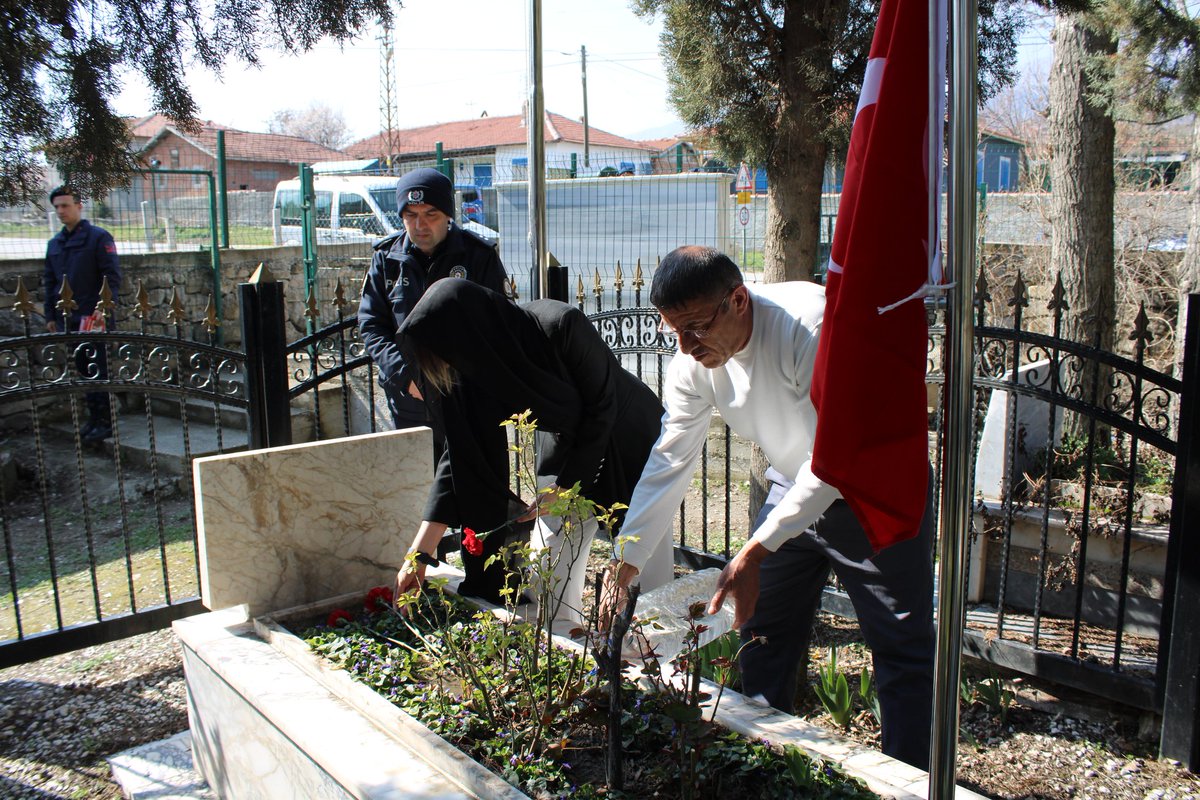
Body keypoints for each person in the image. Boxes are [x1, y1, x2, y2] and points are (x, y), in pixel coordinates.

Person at [605, 245, 935, 769]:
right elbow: (670, 459)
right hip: (792, 484)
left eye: (695, 327)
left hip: (874, 487)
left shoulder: (811, 326)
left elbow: (831, 460)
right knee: (760, 631)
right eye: (674, 331)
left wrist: (754, 550)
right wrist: (627, 560)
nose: (687, 346)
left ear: (739, 299)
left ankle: (910, 777)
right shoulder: (693, 363)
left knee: (900, 648)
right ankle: (764, 766)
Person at [393, 279, 672, 635]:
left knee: (645, 565)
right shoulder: (478, 369)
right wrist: (419, 555)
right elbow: (462, 454)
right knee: (549, 571)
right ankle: (565, 653)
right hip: (566, 447)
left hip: (632, 437)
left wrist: (568, 487)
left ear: (469, 330)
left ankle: (661, 663)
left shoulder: (559, 324)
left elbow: (603, 407)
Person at [358, 167, 509, 429]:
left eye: (431, 214)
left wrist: (464, 374)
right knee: (415, 469)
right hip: (408, 400)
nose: (420, 225)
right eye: (410, 215)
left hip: (467, 398)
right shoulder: (386, 259)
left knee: (466, 469)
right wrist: (405, 377)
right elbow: (372, 325)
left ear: (447, 215)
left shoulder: (478, 257)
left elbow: (499, 325)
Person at [44, 185, 121, 443]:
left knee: (97, 368)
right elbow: (50, 282)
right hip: (69, 317)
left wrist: (103, 308)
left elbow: (111, 276)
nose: (61, 211)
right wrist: (50, 316)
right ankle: (93, 418)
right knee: (82, 370)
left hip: (93, 315)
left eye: (65, 205)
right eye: (57, 207)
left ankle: (105, 421)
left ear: (79, 205)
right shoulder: (55, 244)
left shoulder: (98, 238)